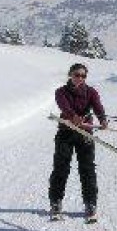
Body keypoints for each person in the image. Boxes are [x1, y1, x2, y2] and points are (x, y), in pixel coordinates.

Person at [48, 63, 108, 222]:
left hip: (85, 134)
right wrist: (72, 116)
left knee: (87, 170)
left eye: (83, 76)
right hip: (66, 133)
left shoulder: (91, 92)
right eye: (77, 75)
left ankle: (90, 203)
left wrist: (102, 119)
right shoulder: (61, 92)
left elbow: (98, 107)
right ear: (70, 75)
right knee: (61, 168)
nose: (80, 78)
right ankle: (56, 202)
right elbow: (64, 106)